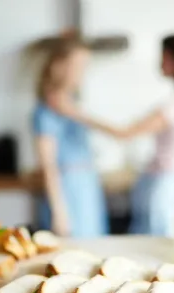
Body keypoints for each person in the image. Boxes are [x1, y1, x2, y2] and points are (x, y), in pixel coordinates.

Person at [59, 34, 174, 236]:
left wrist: (73, 112)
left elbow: (124, 133)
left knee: (155, 246)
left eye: (164, 56)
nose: (160, 62)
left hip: (165, 186)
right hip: (171, 182)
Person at [32, 35, 119, 237]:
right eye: (78, 66)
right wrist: (59, 212)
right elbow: (48, 166)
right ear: (58, 66)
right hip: (68, 193)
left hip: (86, 188)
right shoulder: (45, 112)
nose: (82, 74)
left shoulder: (71, 105)